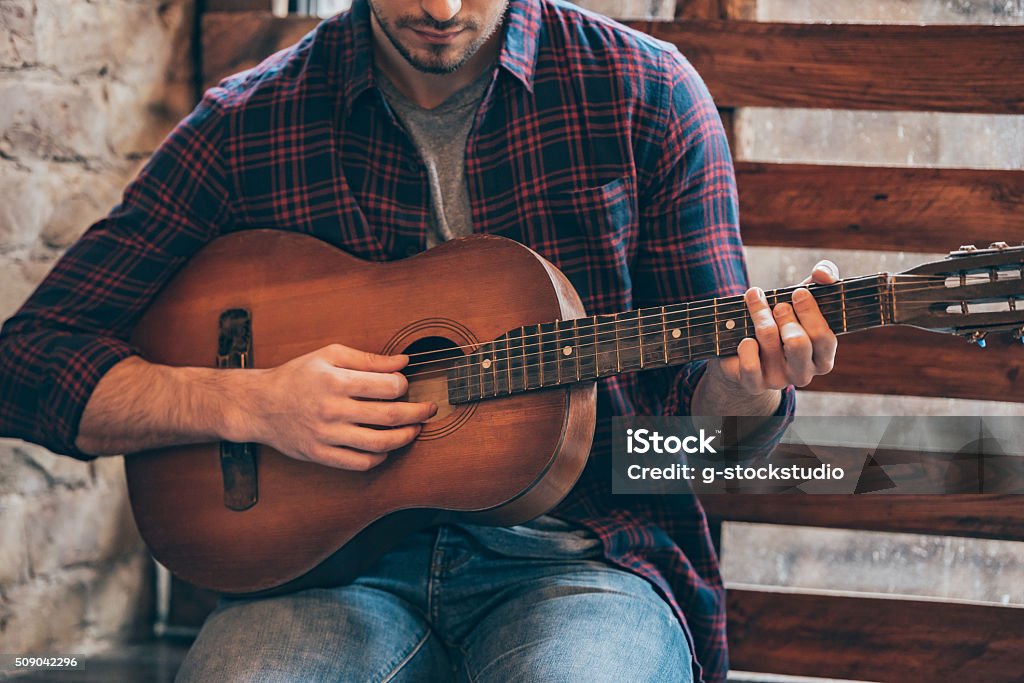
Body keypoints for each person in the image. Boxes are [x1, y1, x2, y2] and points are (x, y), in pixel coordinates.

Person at [0, 0, 839, 680]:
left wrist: (742, 394)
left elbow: (689, 451)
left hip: (587, 562)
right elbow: (26, 362)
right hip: (326, 574)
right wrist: (254, 404)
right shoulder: (248, 122)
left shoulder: (646, 95)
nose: (441, 9)